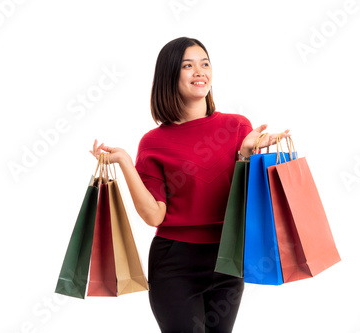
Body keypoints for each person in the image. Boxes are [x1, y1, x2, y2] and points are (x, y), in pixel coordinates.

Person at [90, 37, 290, 333]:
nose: (200, 71)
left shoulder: (237, 127)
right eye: (188, 65)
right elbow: (154, 216)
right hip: (175, 264)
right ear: (170, 75)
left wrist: (245, 156)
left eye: (204, 63)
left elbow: (247, 205)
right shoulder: (154, 142)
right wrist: (125, 164)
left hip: (228, 259)